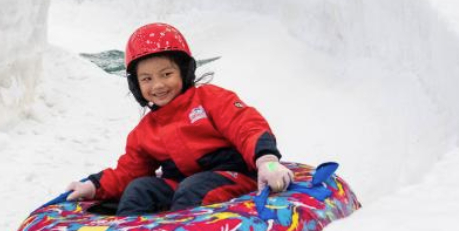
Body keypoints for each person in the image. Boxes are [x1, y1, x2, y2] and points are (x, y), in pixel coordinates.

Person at [65, 24, 294, 215]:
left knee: (193, 189)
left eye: (166, 74)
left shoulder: (210, 99)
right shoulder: (146, 131)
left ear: (184, 71)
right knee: (139, 190)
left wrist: (267, 161)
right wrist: (93, 187)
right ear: (136, 85)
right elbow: (129, 171)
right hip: (182, 183)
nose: (158, 85)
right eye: (146, 78)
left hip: (234, 176)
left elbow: (246, 126)